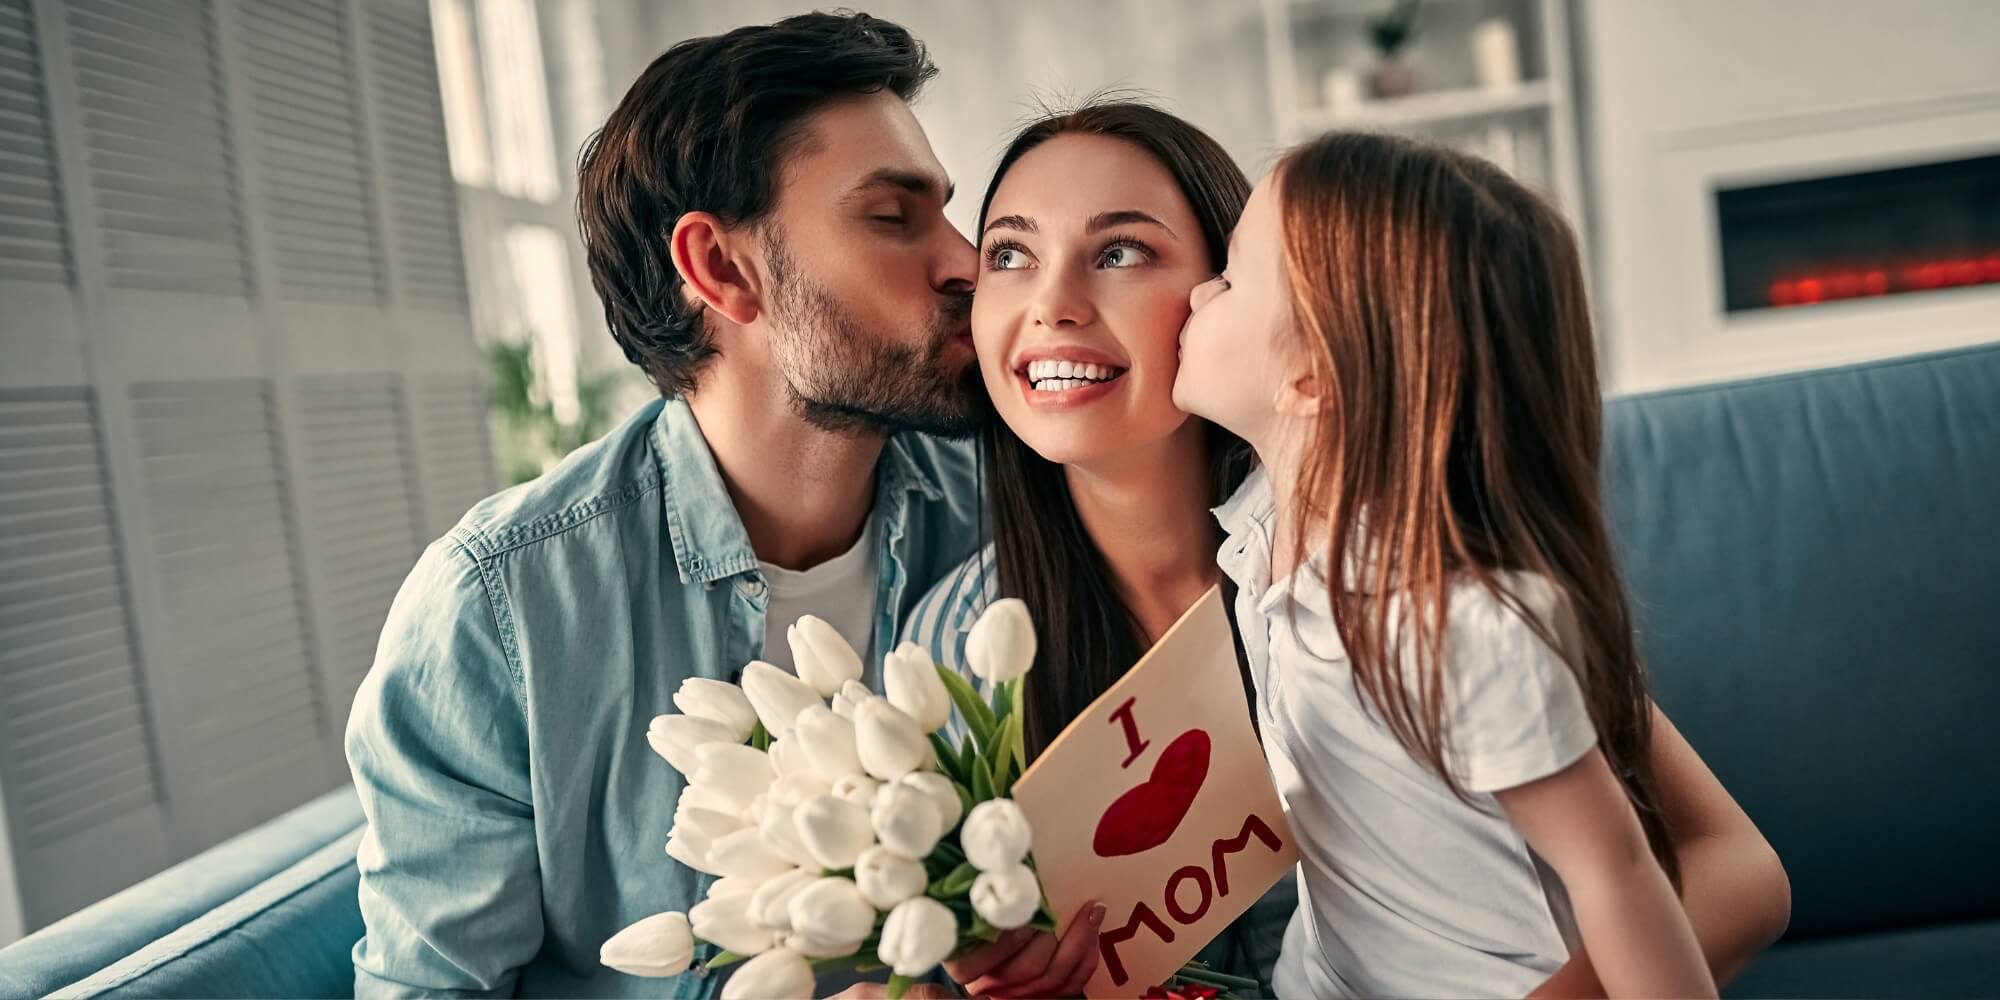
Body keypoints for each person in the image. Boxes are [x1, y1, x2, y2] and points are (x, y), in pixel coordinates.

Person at [908, 107, 1790, 997]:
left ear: (1308, 341)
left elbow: (1708, 870)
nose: (1051, 305)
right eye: (1008, 255)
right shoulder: (969, 649)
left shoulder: (1427, 579)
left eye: (1122, 252)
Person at [346, 13, 978, 998]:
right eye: (894, 219)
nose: (966, 261)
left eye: (946, 214)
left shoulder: (1006, 524)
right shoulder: (499, 610)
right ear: (719, 269)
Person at [1171, 130, 1790, 997]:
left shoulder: (1458, 621)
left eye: (1230, 277)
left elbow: (1619, 878)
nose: (1199, 291)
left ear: (1311, 379)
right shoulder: (1261, 536)